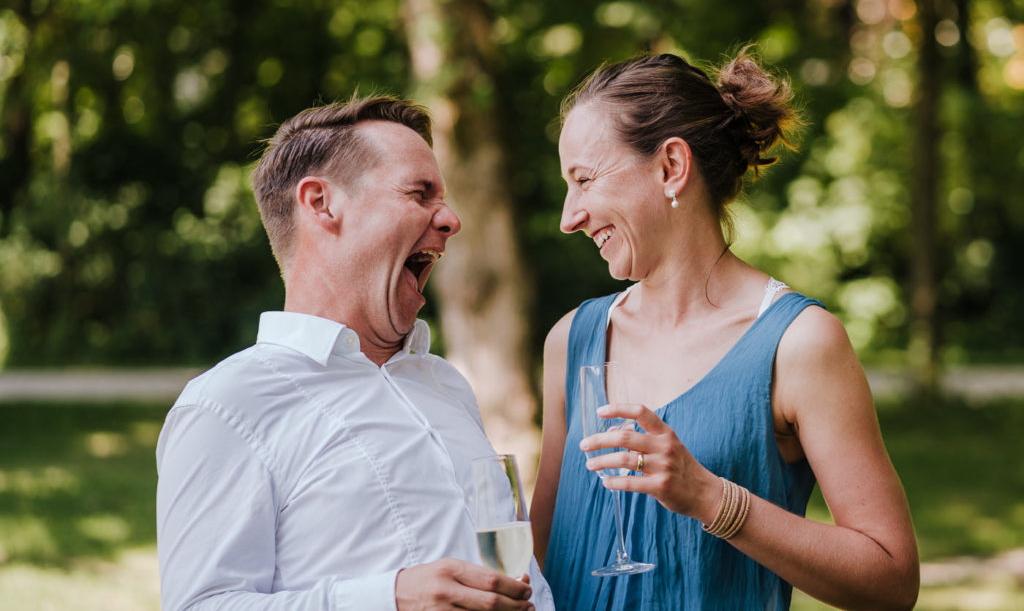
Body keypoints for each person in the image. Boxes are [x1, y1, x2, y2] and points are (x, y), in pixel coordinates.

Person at [530, 50, 919, 610]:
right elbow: (541, 556)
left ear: (670, 167)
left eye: (585, 180)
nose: (570, 216)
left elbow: (891, 580)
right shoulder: (571, 340)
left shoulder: (799, 344)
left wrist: (710, 498)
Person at [156, 96, 554, 611]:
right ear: (321, 203)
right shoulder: (226, 405)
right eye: (420, 193)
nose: (451, 219)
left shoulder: (445, 384)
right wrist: (387, 600)